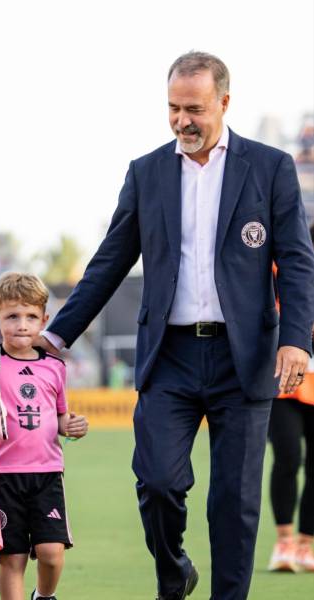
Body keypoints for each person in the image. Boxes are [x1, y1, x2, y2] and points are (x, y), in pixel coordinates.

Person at [37, 51, 314, 600]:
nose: (182, 120)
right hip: (170, 357)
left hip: (245, 358)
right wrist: (55, 334)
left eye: (194, 109)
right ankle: (173, 570)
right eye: (173, 108)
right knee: (158, 482)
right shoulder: (147, 172)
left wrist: (296, 341)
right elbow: (110, 260)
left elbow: (299, 260)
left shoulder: (270, 167)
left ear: (224, 104)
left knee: (232, 501)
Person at [0, 273, 88, 600]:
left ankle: (44, 597)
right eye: (12, 316)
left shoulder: (53, 368)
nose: (22, 324)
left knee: (51, 553)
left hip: (46, 474)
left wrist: (70, 425)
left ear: (44, 320)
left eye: (31, 317)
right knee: (12, 557)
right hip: (3, 476)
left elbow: (59, 416)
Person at [267, 224, 314, 573]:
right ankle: (284, 542)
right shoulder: (283, 269)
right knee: (288, 455)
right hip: (284, 379)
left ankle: (307, 544)